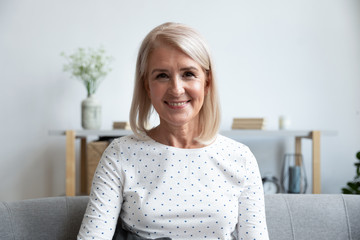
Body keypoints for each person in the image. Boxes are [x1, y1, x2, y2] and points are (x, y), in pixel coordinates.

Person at [78, 22, 269, 240]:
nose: (176, 89)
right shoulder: (119, 154)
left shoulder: (240, 158)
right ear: (147, 86)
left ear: (207, 82)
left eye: (188, 73)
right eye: (162, 75)